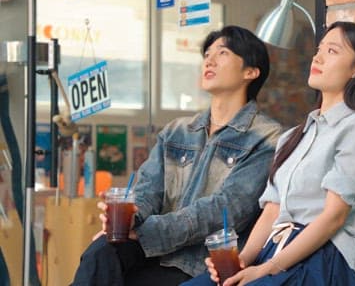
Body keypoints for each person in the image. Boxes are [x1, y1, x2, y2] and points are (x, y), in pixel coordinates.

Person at [183, 21, 355, 286]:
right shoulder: (293, 137)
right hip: (276, 250)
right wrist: (243, 260)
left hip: (328, 258)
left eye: (332, 51)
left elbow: (333, 218)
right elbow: (272, 211)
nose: (317, 56)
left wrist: (267, 269)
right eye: (319, 49)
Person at [72, 25, 282, 285]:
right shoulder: (176, 131)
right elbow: (148, 189)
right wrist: (131, 216)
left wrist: (147, 231)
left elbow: (226, 208)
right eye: (207, 54)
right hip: (151, 252)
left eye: (223, 53)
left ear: (251, 72)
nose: (210, 60)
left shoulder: (266, 137)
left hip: (202, 262)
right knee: (101, 251)